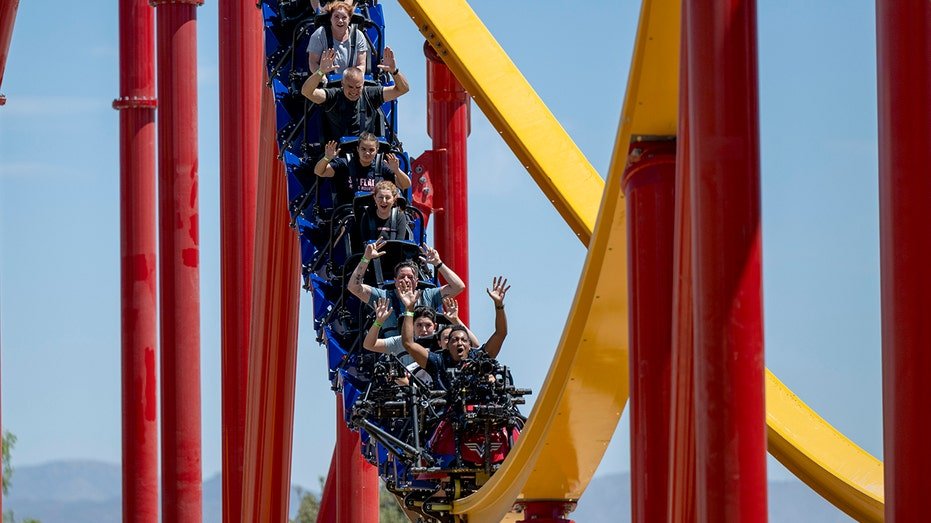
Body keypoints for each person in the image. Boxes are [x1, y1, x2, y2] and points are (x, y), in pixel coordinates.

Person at [399, 277, 510, 391]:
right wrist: (409, 309)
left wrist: (499, 305)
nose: (459, 343)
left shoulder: (478, 358)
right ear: (447, 345)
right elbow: (408, 343)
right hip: (445, 407)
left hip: (475, 407)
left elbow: (501, 333)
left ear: (469, 345)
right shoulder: (438, 361)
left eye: (463, 340)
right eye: (455, 340)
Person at [347, 238, 465, 336]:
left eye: (410, 277)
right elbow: (354, 287)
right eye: (402, 277)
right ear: (395, 281)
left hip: (422, 356)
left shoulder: (427, 296)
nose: (406, 280)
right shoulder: (384, 297)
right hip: (395, 356)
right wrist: (366, 258)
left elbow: (458, 286)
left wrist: (438, 263)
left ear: (417, 281)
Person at [301, 46, 409, 141]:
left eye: (358, 87)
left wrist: (394, 71)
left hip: (366, 152)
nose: (354, 91)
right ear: (342, 84)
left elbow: (403, 89)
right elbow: (307, 92)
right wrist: (321, 71)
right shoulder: (333, 95)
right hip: (338, 152)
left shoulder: (370, 94)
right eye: (350, 87)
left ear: (363, 84)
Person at [315, 133, 410, 207]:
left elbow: (405, 185)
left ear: (377, 150)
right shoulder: (345, 164)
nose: (367, 153)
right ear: (358, 149)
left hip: (375, 213)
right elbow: (319, 171)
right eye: (363, 149)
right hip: (349, 214)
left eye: (371, 150)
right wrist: (327, 158)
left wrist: (397, 170)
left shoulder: (382, 167)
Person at [306, 1, 368, 83]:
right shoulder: (319, 34)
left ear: (349, 19)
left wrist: (353, 81)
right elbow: (313, 62)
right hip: (326, 82)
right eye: (336, 17)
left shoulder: (358, 35)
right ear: (330, 18)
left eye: (344, 17)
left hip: (351, 84)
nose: (340, 21)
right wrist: (322, 77)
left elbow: (361, 64)